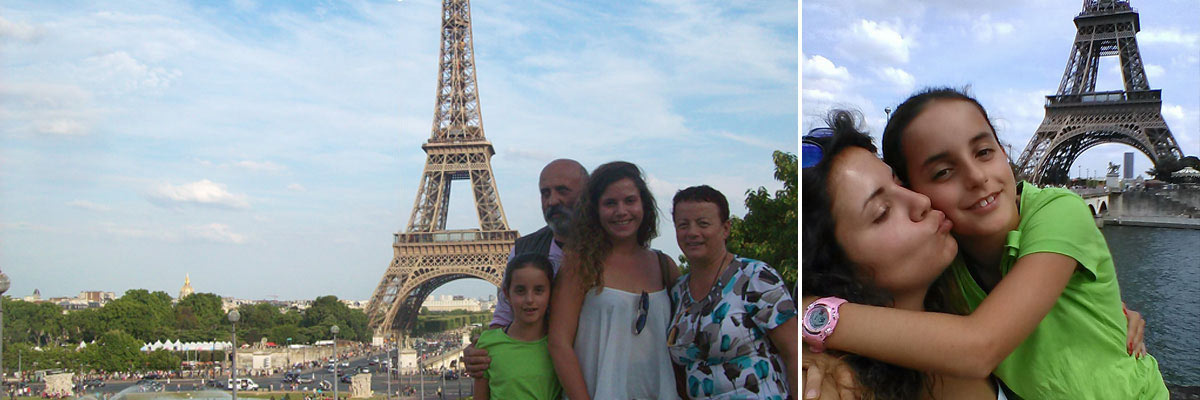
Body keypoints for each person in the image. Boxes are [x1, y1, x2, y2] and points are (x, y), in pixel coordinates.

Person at [802, 89, 1166, 399]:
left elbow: (980, 345)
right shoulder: (950, 271)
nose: (976, 177)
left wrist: (811, 314)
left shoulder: (1058, 211)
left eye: (984, 152)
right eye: (943, 173)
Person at [802, 110, 1006, 399]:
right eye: (882, 213)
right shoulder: (834, 385)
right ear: (834, 267)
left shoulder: (976, 277)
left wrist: (815, 316)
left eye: (899, 182)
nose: (921, 201)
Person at [548, 161, 681, 399]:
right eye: (610, 203)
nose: (621, 211)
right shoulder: (580, 266)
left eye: (630, 201)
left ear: (644, 205)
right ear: (595, 211)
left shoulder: (665, 267)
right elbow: (559, 344)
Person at [667, 185, 798, 398]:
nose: (692, 233)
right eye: (683, 225)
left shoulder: (755, 277)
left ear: (725, 228)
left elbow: (794, 353)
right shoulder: (677, 292)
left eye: (703, 224)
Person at [464, 158, 588, 377]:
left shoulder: (613, 251)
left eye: (562, 191)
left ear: (587, 196)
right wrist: (481, 351)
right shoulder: (522, 252)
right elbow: (502, 322)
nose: (552, 201)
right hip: (539, 376)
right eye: (545, 193)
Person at [472, 253, 563, 400]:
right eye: (520, 291)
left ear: (551, 293)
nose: (529, 299)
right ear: (507, 294)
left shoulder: (559, 346)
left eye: (538, 290)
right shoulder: (487, 344)